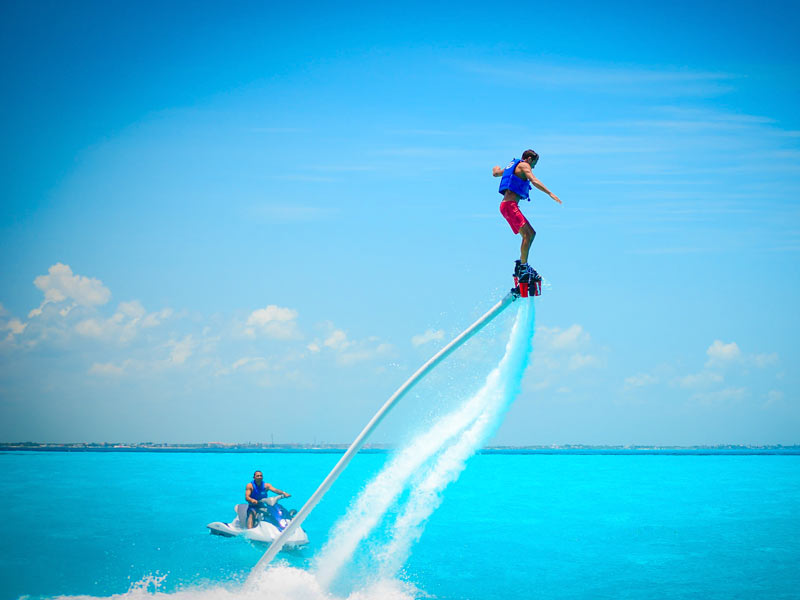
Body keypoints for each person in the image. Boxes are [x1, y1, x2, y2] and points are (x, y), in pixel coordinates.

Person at [492, 149, 561, 280]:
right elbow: (533, 180)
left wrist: (495, 168)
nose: (534, 167)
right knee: (529, 235)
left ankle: (522, 266)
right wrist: (550, 193)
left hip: (507, 206)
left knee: (528, 235)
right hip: (509, 206)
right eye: (534, 163)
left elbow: (496, 173)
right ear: (529, 159)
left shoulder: (512, 166)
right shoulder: (524, 165)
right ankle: (523, 267)